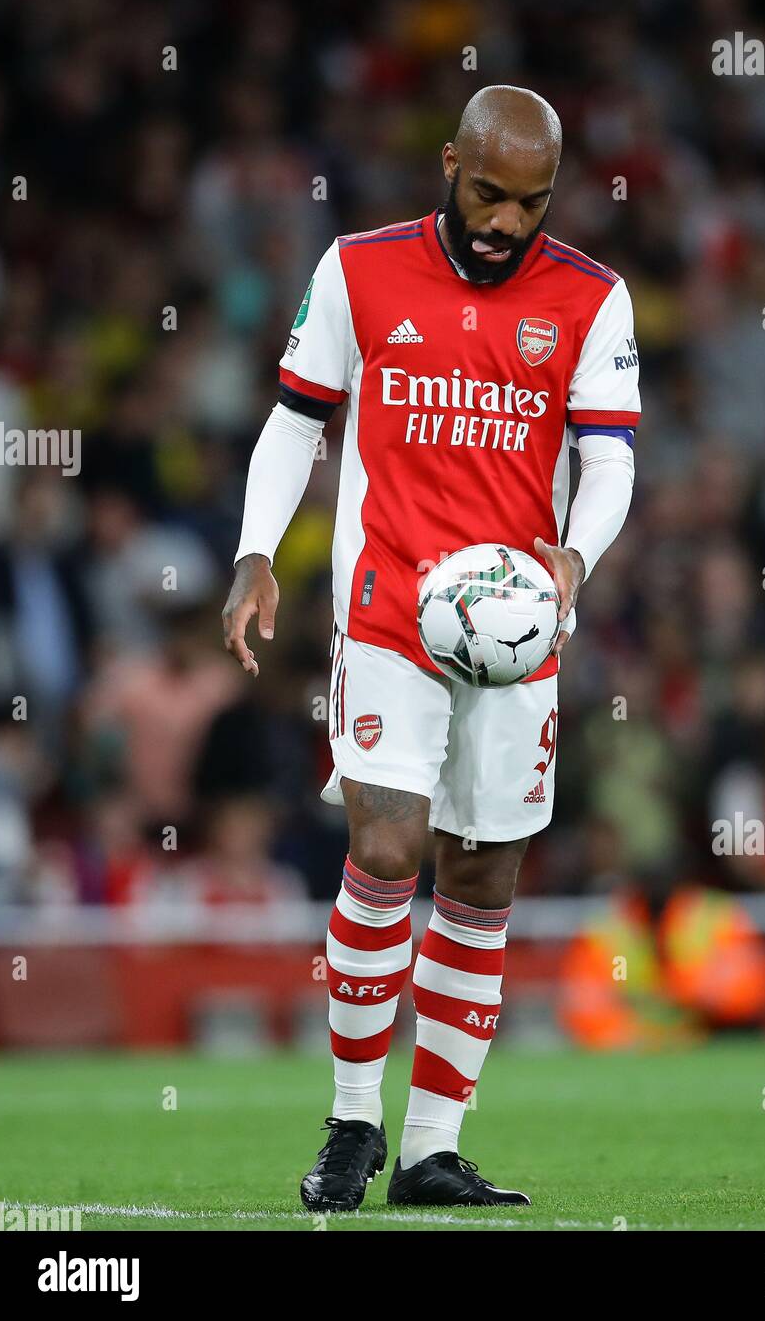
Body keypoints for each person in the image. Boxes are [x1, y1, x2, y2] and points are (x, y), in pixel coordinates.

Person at [222, 86, 640, 1210]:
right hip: (389, 610)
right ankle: (352, 1124)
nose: (504, 223)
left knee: (482, 875)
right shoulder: (357, 270)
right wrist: (257, 551)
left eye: (530, 203)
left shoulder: (592, 300)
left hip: (514, 630)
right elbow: (295, 418)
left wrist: (572, 559)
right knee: (390, 847)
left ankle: (428, 1150)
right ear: (448, 162)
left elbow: (606, 461)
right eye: (485, 193)